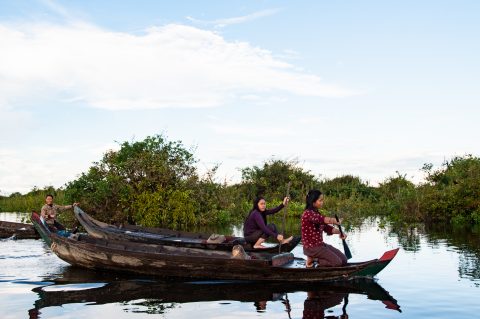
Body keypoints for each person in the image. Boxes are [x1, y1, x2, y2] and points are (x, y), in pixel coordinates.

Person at [301, 190, 347, 268]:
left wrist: (340, 232)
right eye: (320, 200)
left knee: (344, 260)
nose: (322, 202)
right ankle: (314, 259)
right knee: (338, 263)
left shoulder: (316, 213)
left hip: (320, 245)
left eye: (322, 200)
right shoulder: (307, 214)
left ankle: (315, 258)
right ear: (313, 202)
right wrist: (334, 220)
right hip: (312, 248)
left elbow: (327, 228)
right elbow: (322, 219)